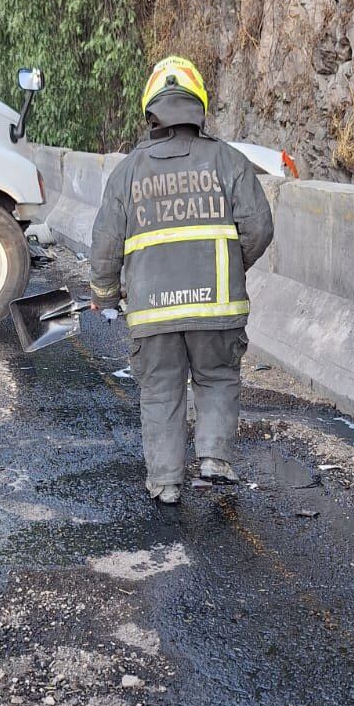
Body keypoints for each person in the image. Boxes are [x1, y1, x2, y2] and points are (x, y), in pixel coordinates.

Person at [89, 56, 273, 503]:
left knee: (160, 391)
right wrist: (230, 266)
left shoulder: (128, 172)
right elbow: (259, 228)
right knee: (217, 376)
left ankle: (166, 483)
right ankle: (214, 459)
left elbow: (106, 243)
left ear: (151, 110)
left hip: (153, 315)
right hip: (216, 306)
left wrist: (105, 294)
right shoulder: (229, 161)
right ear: (198, 106)